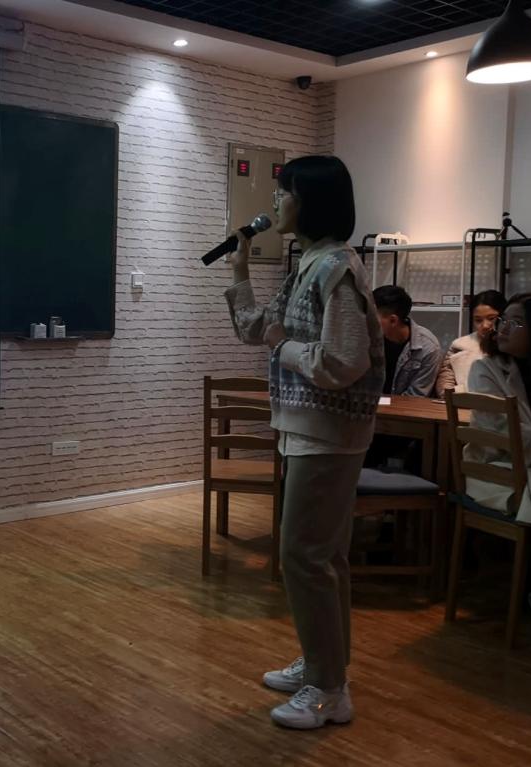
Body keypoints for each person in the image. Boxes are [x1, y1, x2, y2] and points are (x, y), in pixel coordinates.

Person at [224, 156, 384, 729]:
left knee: (303, 555)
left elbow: (343, 360)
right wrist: (241, 268)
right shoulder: (309, 264)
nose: (274, 203)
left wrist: (283, 347)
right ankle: (323, 665)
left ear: (310, 201)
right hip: (308, 429)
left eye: (283, 192)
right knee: (323, 556)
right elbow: (255, 329)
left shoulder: (336, 268)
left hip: (328, 433)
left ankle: (328, 689)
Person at [464, 296, 531, 630]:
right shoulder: (486, 368)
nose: (501, 328)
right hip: (498, 470)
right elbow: (505, 425)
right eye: (503, 320)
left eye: (515, 323)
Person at [372, 285, 443, 397]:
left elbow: (416, 395)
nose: (365, 321)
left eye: (371, 317)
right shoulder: (367, 339)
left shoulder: (428, 348)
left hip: (405, 406)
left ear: (393, 320)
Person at [435, 289, 507, 396]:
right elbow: (446, 381)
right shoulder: (459, 345)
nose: (485, 325)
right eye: (478, 320)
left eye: (491, 318)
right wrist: (454, 395)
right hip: (461, 403)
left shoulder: (510, 345)